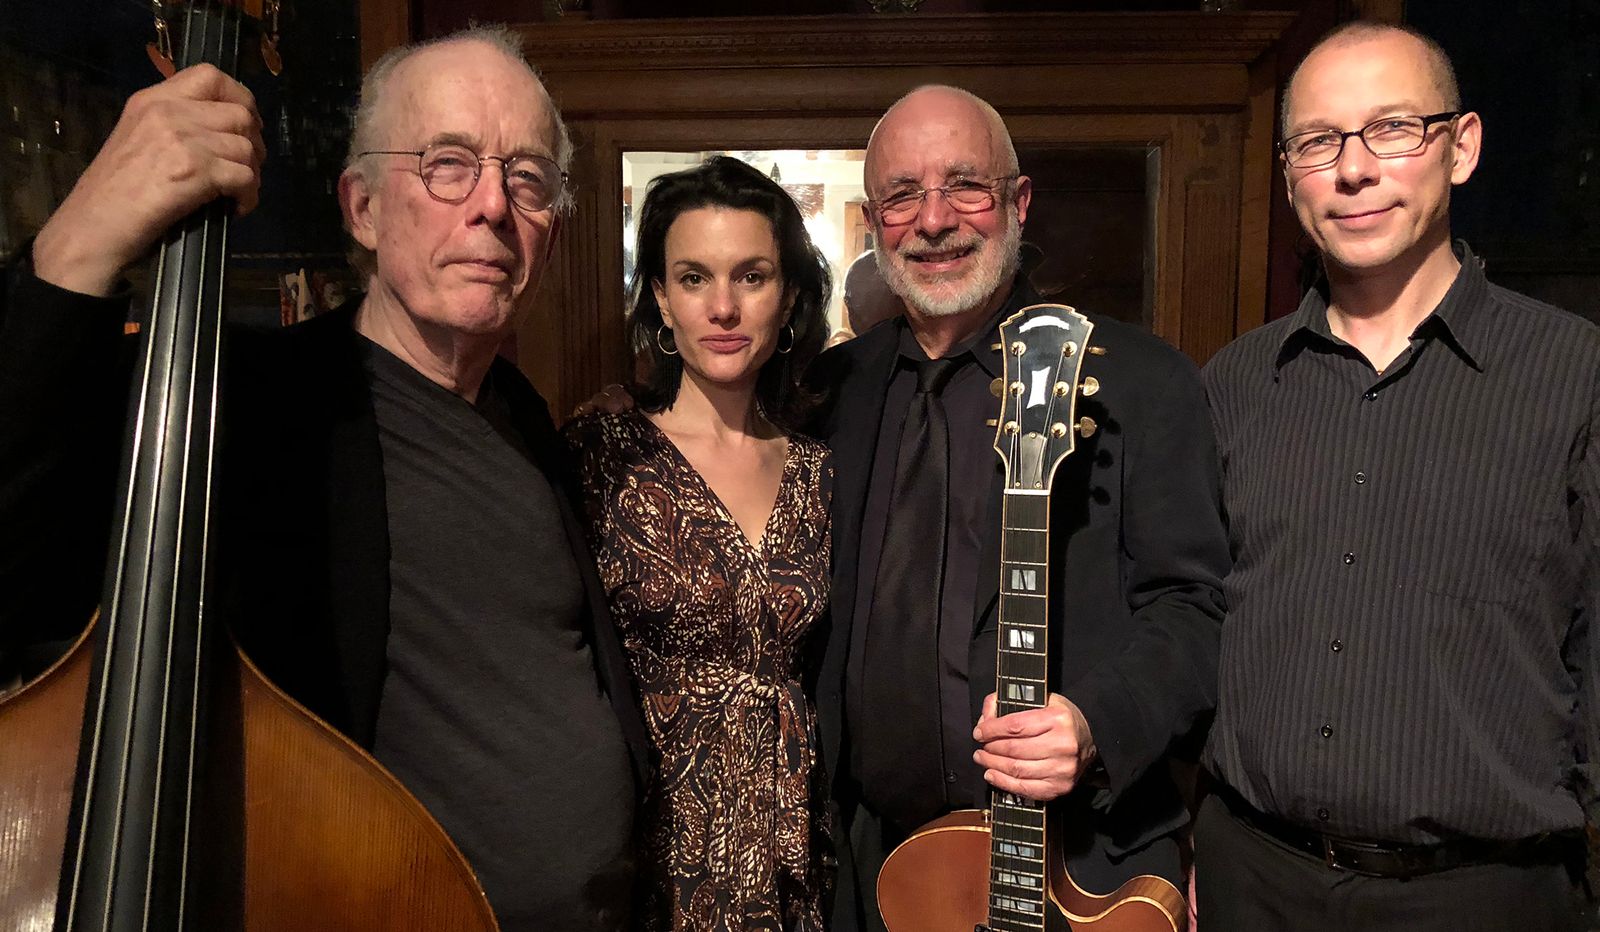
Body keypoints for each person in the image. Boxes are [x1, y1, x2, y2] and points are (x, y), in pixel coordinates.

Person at [0, 27, 647, 932]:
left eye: (528, 178)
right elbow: (16, 528)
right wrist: (80, 244)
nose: (494, 205)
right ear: (363, 209)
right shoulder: (247, 400)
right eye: (448, 165)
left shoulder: (525, 417)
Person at [1197, 22, 1599, 932]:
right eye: (1318, 142)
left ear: (1462, 147)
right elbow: (1198, 622)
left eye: (1392, 129)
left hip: (1486, 897)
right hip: (1252, 881)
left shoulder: (1575, 375)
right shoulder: (1235, 384)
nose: (1353, 170)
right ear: (1290, 175)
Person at [812, 84, 1229, 931]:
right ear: (875, 219)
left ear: (1018, 200)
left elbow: (1195, 608)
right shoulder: (834, 391)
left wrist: (1096, 721)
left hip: (1074, 868)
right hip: (872, 871)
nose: (934, 221)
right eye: (902, 195)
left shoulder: (1141, 381)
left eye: (965, 185)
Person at [565, 156, 833, 932]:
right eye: (693, 278)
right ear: (660, 296)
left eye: (751, 276)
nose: (722, 307)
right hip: (646, 851)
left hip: (794, 853)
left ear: (788, 297)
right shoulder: (600, 456)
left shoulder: (820, 470)